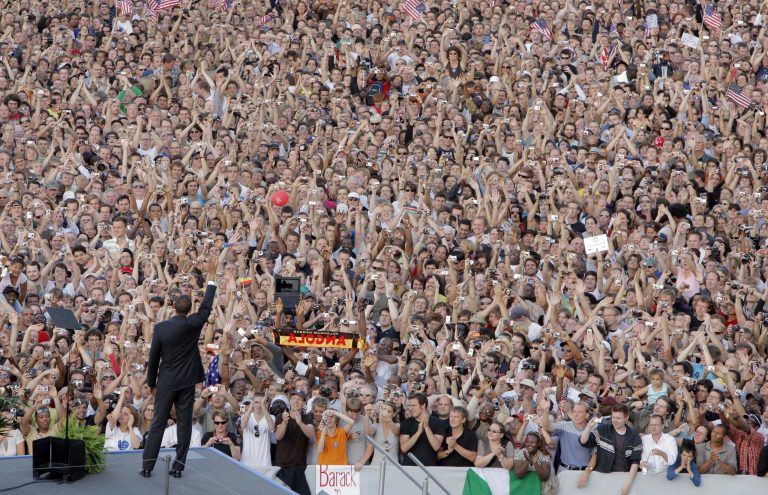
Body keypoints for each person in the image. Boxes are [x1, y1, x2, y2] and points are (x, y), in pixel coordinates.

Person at [141, 261, 217, 478]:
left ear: (173, 307)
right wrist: (211, 280)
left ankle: (147, 466)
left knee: (157, 423)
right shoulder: (193, 323)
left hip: (166, 382)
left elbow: (153, 358)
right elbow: (206, 307)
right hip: (186, 382)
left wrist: (151, 384)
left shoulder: (161, 328)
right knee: (184, 425)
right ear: (189, 308)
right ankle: (178, 467)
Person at [579, 404, 642, 495]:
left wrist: (629, 482)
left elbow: (635, 462)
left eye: (619, 418)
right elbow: (584, 442)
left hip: (623, 476)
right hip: (603, 475)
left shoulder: (634, 435)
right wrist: (589, 427)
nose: (615, 421)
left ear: (626, 418)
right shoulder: (602, 429)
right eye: (613, 417)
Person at [274, 391, 314, 495]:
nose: (295, 401)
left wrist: (300, 422)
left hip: (299, 466)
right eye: (293, 398)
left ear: (304, 403)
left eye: (299, 399)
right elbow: (278, 436)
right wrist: (284, 422)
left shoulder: (306, 418)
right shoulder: (281, 417)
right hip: (281, 466)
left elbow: (311, 435)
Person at [399, 393, 445, 466]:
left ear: (423, 406)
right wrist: (418, 432)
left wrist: (427, 428)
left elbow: (436, 447)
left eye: (413, 405)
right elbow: (404, 448)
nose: (410, 408)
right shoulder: (406, 423)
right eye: (409, 406)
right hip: (409, 468)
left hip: (429, 468)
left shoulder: (438, 423)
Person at [239, 393, 274, 467]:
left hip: (265, 463)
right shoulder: (246, 416)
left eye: (261, 402)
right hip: (246, 463)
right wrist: (251, 406)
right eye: (256, 402)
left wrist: (263, 406)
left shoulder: (271, 417)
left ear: (267, 404)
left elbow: (272, 428)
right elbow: (242, 426)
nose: (258, 405)